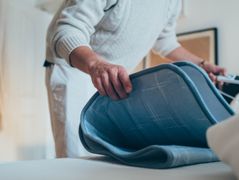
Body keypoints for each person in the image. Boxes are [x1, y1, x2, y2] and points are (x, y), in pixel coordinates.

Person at [45, 0, 226, 158]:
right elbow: (67, 30)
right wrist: (95, 65)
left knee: (112, 152)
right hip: (76, 68)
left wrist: (200, 64)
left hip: (115, 77)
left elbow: (165, 40)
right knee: (76, 153)